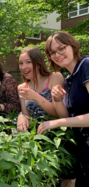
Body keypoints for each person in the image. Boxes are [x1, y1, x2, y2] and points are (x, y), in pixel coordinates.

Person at [37, 31, 89, 186]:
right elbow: (66, 115)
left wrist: (56, 123)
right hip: (82, 148)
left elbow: (64, 120)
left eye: (61, 48)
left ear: (72, 45)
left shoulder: (86, 65)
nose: (57, 54)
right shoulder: (70, 78)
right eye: (52, 52)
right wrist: (57, 99)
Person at [17, 47, 64, 132]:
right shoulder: (21, 88)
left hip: (57, 133)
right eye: (21, 63)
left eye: (28, 62)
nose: (23, 67)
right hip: (35, 136)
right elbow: (27, 115)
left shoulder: (55, 77)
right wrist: (21, 117)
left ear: (38, 63)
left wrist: (36, 97)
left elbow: (60, 114)